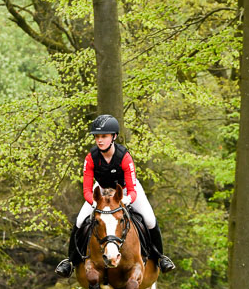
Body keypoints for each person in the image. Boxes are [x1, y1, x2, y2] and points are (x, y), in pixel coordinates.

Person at [56, 114, 176, 277]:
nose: (99, 140)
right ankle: (70, 261)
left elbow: (132, 190)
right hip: (101, 190)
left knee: (149, 219)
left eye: (104, 136)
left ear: (114, 137)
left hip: (126, 190)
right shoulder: (91, 158)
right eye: (97, 136)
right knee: (79, 221)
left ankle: (160, 258)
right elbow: (86, 190)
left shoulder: (124, 157)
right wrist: (94, 202)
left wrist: (126, 199)